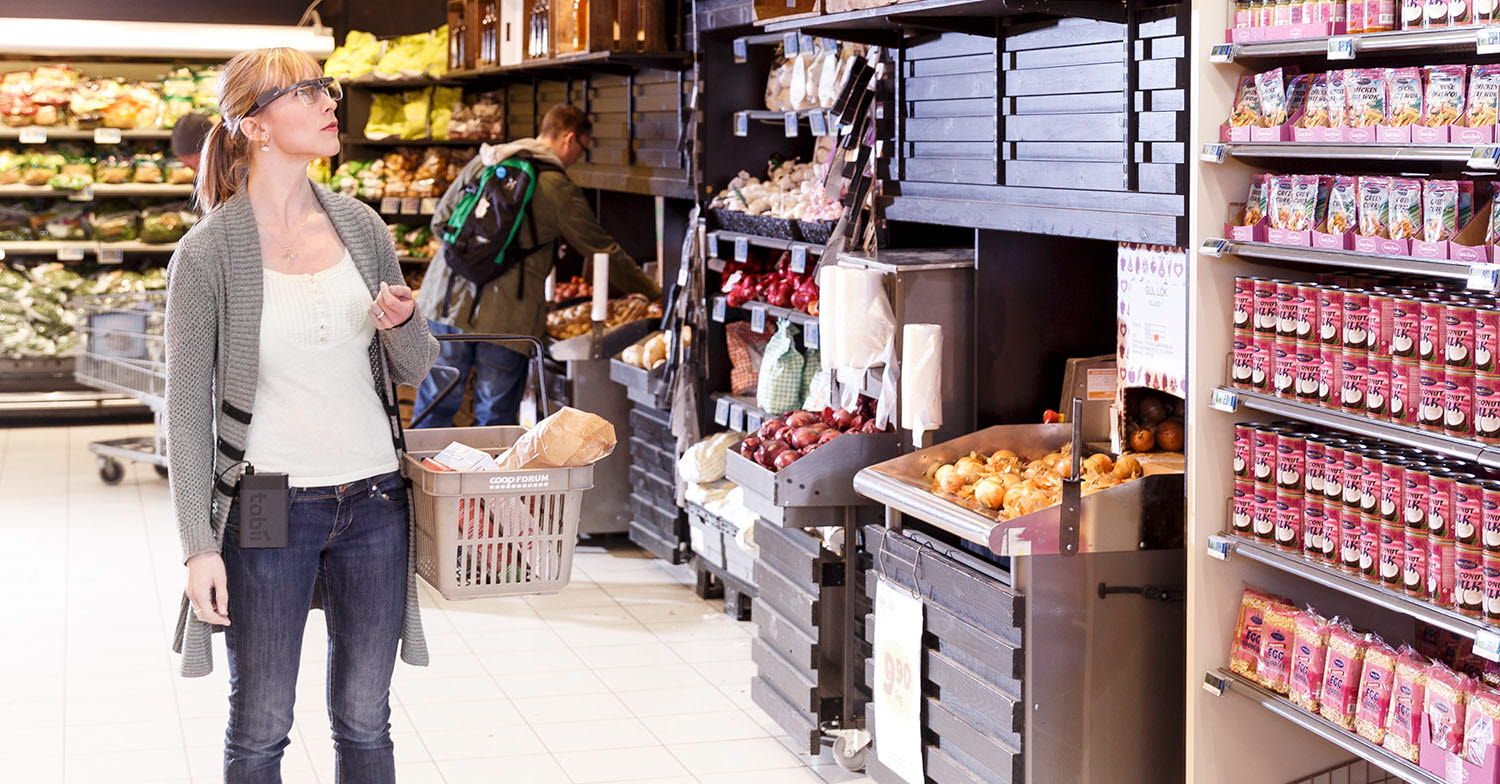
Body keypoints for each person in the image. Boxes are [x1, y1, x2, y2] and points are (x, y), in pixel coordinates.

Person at [162, 47, 438, 783]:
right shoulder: (207, 254)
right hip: (266, 504)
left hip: (376, 500)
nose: (328, 103)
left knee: (365, 718)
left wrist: (403, 322)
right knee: (261, 723)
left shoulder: (362, 228)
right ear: (254, 125)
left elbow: (414, 368)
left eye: (327, 88)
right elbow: (185, 413)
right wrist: (198, 546)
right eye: (306, 92)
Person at [413, 104, 662, 427]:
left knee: (434, 406)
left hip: (444, 303)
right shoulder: (556, 187)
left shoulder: (487, 160)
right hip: (506, 321)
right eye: (582, 150)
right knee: (495, 420)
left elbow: (440, 222)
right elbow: (602, 249)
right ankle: (485, 479)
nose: (576, 160)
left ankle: (420, 477)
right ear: (570, 139)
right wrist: (652, 292)